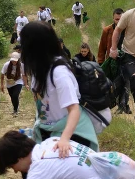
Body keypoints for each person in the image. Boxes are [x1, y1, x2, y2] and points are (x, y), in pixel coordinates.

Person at [22, 21, 104, 152]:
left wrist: (65, 139)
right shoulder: (38, 70)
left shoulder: (59, 73)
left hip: (73, 134)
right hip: (51, 130)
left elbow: (74, 109)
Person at [2, 47, 25, 116]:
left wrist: (26, 84)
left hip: (18, 81)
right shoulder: (6, 65)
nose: (13, 62)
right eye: (12, 60)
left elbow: (24, 75)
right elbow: (2, 74)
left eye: (15, 61)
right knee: (12, 96)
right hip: (9, 82)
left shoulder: (21, 65)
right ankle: (15, 107)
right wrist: (1, 85)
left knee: (15, 95)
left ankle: (15, 110)